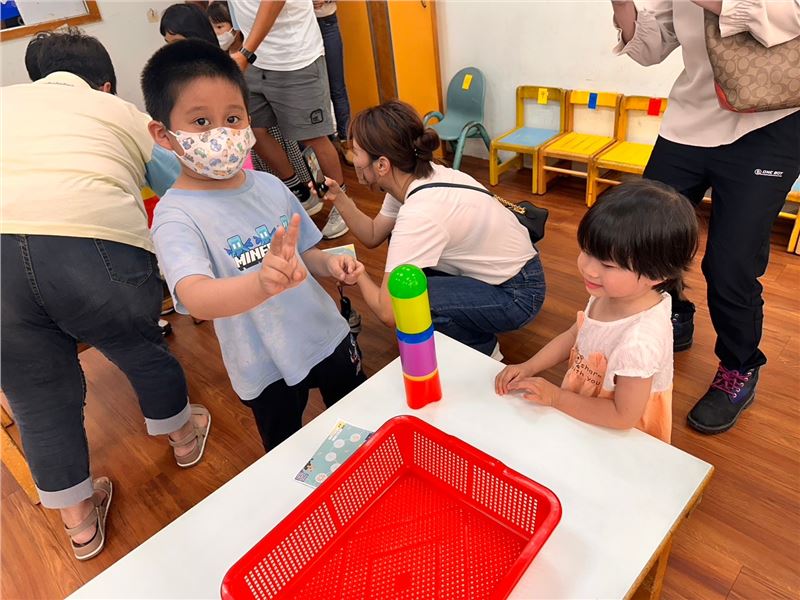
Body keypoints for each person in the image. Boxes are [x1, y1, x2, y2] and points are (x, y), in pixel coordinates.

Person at [1, 30, 210, 562]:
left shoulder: (6, 102)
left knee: (34, 394)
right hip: (92, 246)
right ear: (106, 82)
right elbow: (180, 184)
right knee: (141, 348)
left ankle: (80, 526)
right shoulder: (116, 110)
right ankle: (184, 440)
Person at [142, 40, 367, 452]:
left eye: (232, 118)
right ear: (164, 134)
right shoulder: (175, 216)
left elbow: (305, 254)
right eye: (201, 122)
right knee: (287, 453)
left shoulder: (269, 185)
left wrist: (330, 264)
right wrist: (260, 284)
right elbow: (196, 297)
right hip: (263, 363)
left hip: (324, 332)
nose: (221, 133)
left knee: (364, 422)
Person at [611, 0, 800, 434]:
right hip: (689, 121)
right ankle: (676, 312)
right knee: (647, 236)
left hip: (771, 123)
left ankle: (739, 366)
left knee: (731, 265)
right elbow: (651, 47)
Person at [319, 100, 546, 357]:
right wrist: (338, 196)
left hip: (518, 296)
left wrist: (358, 273)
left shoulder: (419, 213)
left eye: (356, 152)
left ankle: (483, 350)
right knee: (405, 267)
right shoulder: (417, 176)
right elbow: (372, 235)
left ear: (382, 165)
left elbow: (389, 312)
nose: (353, 159)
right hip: (516, 271)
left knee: (410, 300)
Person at [496, 180, 699, 443]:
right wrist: (530, 366)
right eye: (587, 251)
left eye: (608, 265)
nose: (589, 269)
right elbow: (576, 335)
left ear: (657, 275)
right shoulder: (611, 292)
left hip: (616, 434)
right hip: (584, 410)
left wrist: (557, 397)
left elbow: (623, 416)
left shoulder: (640, 342)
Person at [228, 0, 349, 239]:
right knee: (252, 130)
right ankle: (301, 193)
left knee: (313, 137)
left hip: (294, 58)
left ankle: (342, 205)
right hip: (254, 60)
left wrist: (245, 52)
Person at [205, 0, 320, 215]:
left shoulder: (249, 51)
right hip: (257, 82)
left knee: (306, 138)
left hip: (286, 64)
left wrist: (246, 54)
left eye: (220, 26)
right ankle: (296, 190)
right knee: (256, 134)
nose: (217, 32)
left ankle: (326, 196)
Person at [314, 0, 354, 165]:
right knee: (315, 90)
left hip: (326, 21)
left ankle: (346, 141)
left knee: (337, 87)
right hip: (297, 28)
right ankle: (326, 142)